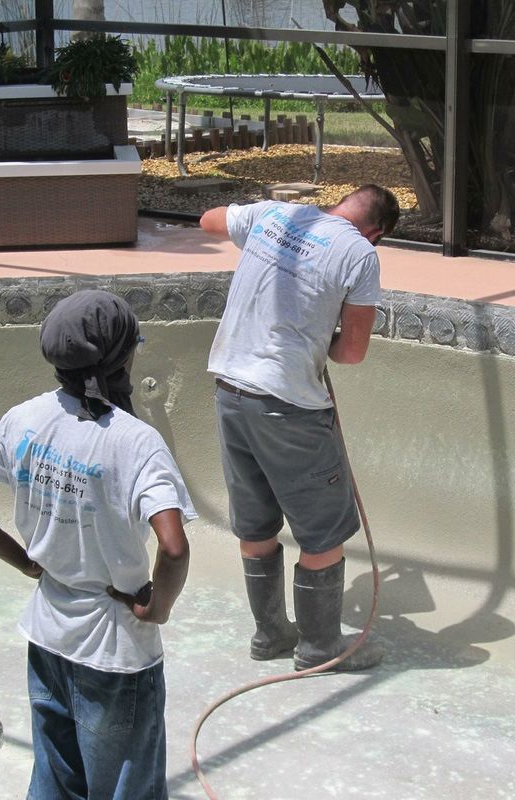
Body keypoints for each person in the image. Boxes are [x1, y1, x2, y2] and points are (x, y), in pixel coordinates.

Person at [0, 290, 194, 800]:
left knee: (56, 780)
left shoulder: (24, 420)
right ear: (122, 357)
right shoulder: (136, 442)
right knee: (125, 787)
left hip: (47, 635)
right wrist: (156, 607)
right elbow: (175, 546)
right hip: (115, 652)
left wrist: (25, 562)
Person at [199, 185, 400, 672]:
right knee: (322, 532)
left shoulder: (274, 214)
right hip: (287, 406)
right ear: (375, 233)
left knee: (256, 524)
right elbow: (351, 352)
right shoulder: (358, 254)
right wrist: (320, 337)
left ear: (340, 205)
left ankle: (269, 635)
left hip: (230, 391)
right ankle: (319, 648)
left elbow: (208, 219)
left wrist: (261, 232)